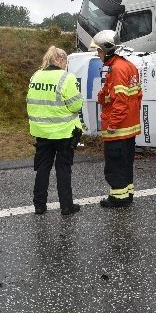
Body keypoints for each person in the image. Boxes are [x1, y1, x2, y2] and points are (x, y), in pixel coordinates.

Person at [27, 46, 84, 216]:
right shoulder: (67, 78)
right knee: (63, 169)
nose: (66, 64)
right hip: (64, 133)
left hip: (41, 131)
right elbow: (76, 105)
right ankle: (66, 206)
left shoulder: (35, 76)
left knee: (43, 168)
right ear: (60, 60)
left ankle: (39, 205)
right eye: (65, 61)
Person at [89, 30, 142, 208]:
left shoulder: (117, 69)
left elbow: (120, 101)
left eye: (99, 51)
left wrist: (113, 124)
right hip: (129, 126)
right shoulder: (127, 65)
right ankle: (127, 194)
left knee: (115, 164)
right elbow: (136, 96)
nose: (98, 54)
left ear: (107, 49)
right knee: (126, 162)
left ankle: (118, 198)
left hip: (118, 128)